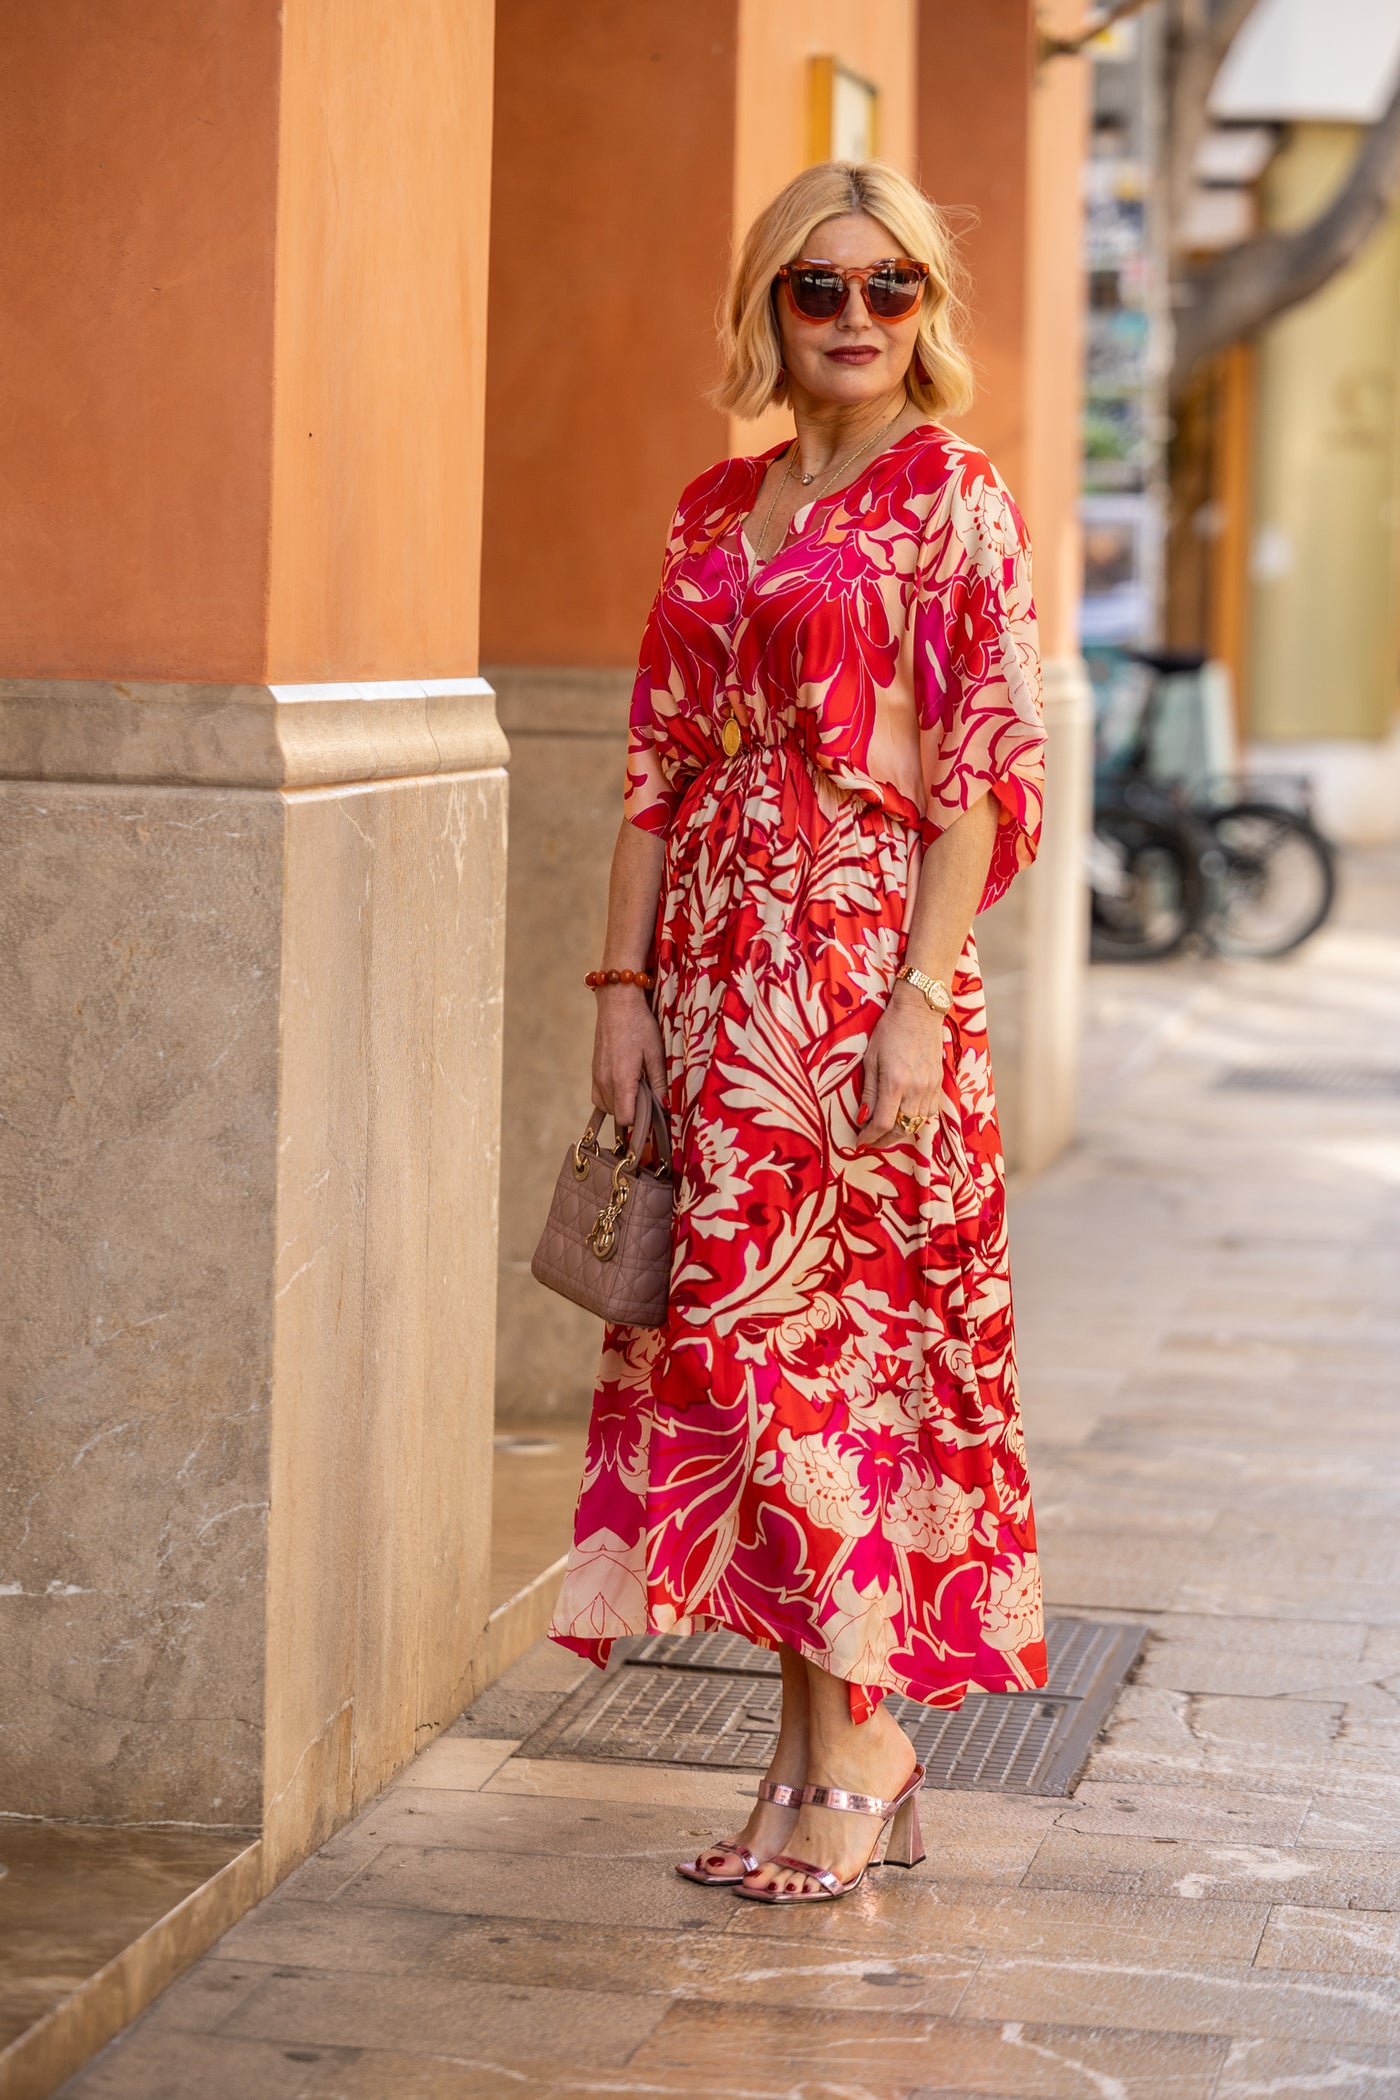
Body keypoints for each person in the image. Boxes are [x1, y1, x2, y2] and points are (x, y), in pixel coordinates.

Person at [548, 159, 1048, 1905]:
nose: (853, 317)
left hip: (857, 999)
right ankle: (815, 1749)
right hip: (711, 982)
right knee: (744, 1380)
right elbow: (653, 770)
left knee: (834, 1372)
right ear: (769, 305)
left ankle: (862, 1748)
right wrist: (621, 1002)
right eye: (818, 288)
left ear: (928, 311)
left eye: (889, 286)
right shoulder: (718, 506)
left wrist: (917, 1006)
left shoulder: (955, 498)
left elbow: (983, 772)